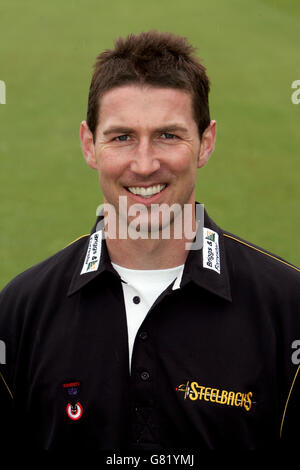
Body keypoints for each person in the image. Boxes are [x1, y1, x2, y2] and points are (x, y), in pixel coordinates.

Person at [0, 30, 299, 451]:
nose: (145, 164)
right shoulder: (20, 310)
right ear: (89, 145)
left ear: (206, 143)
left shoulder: (287, 307)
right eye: (122, 137)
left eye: (168, 136)